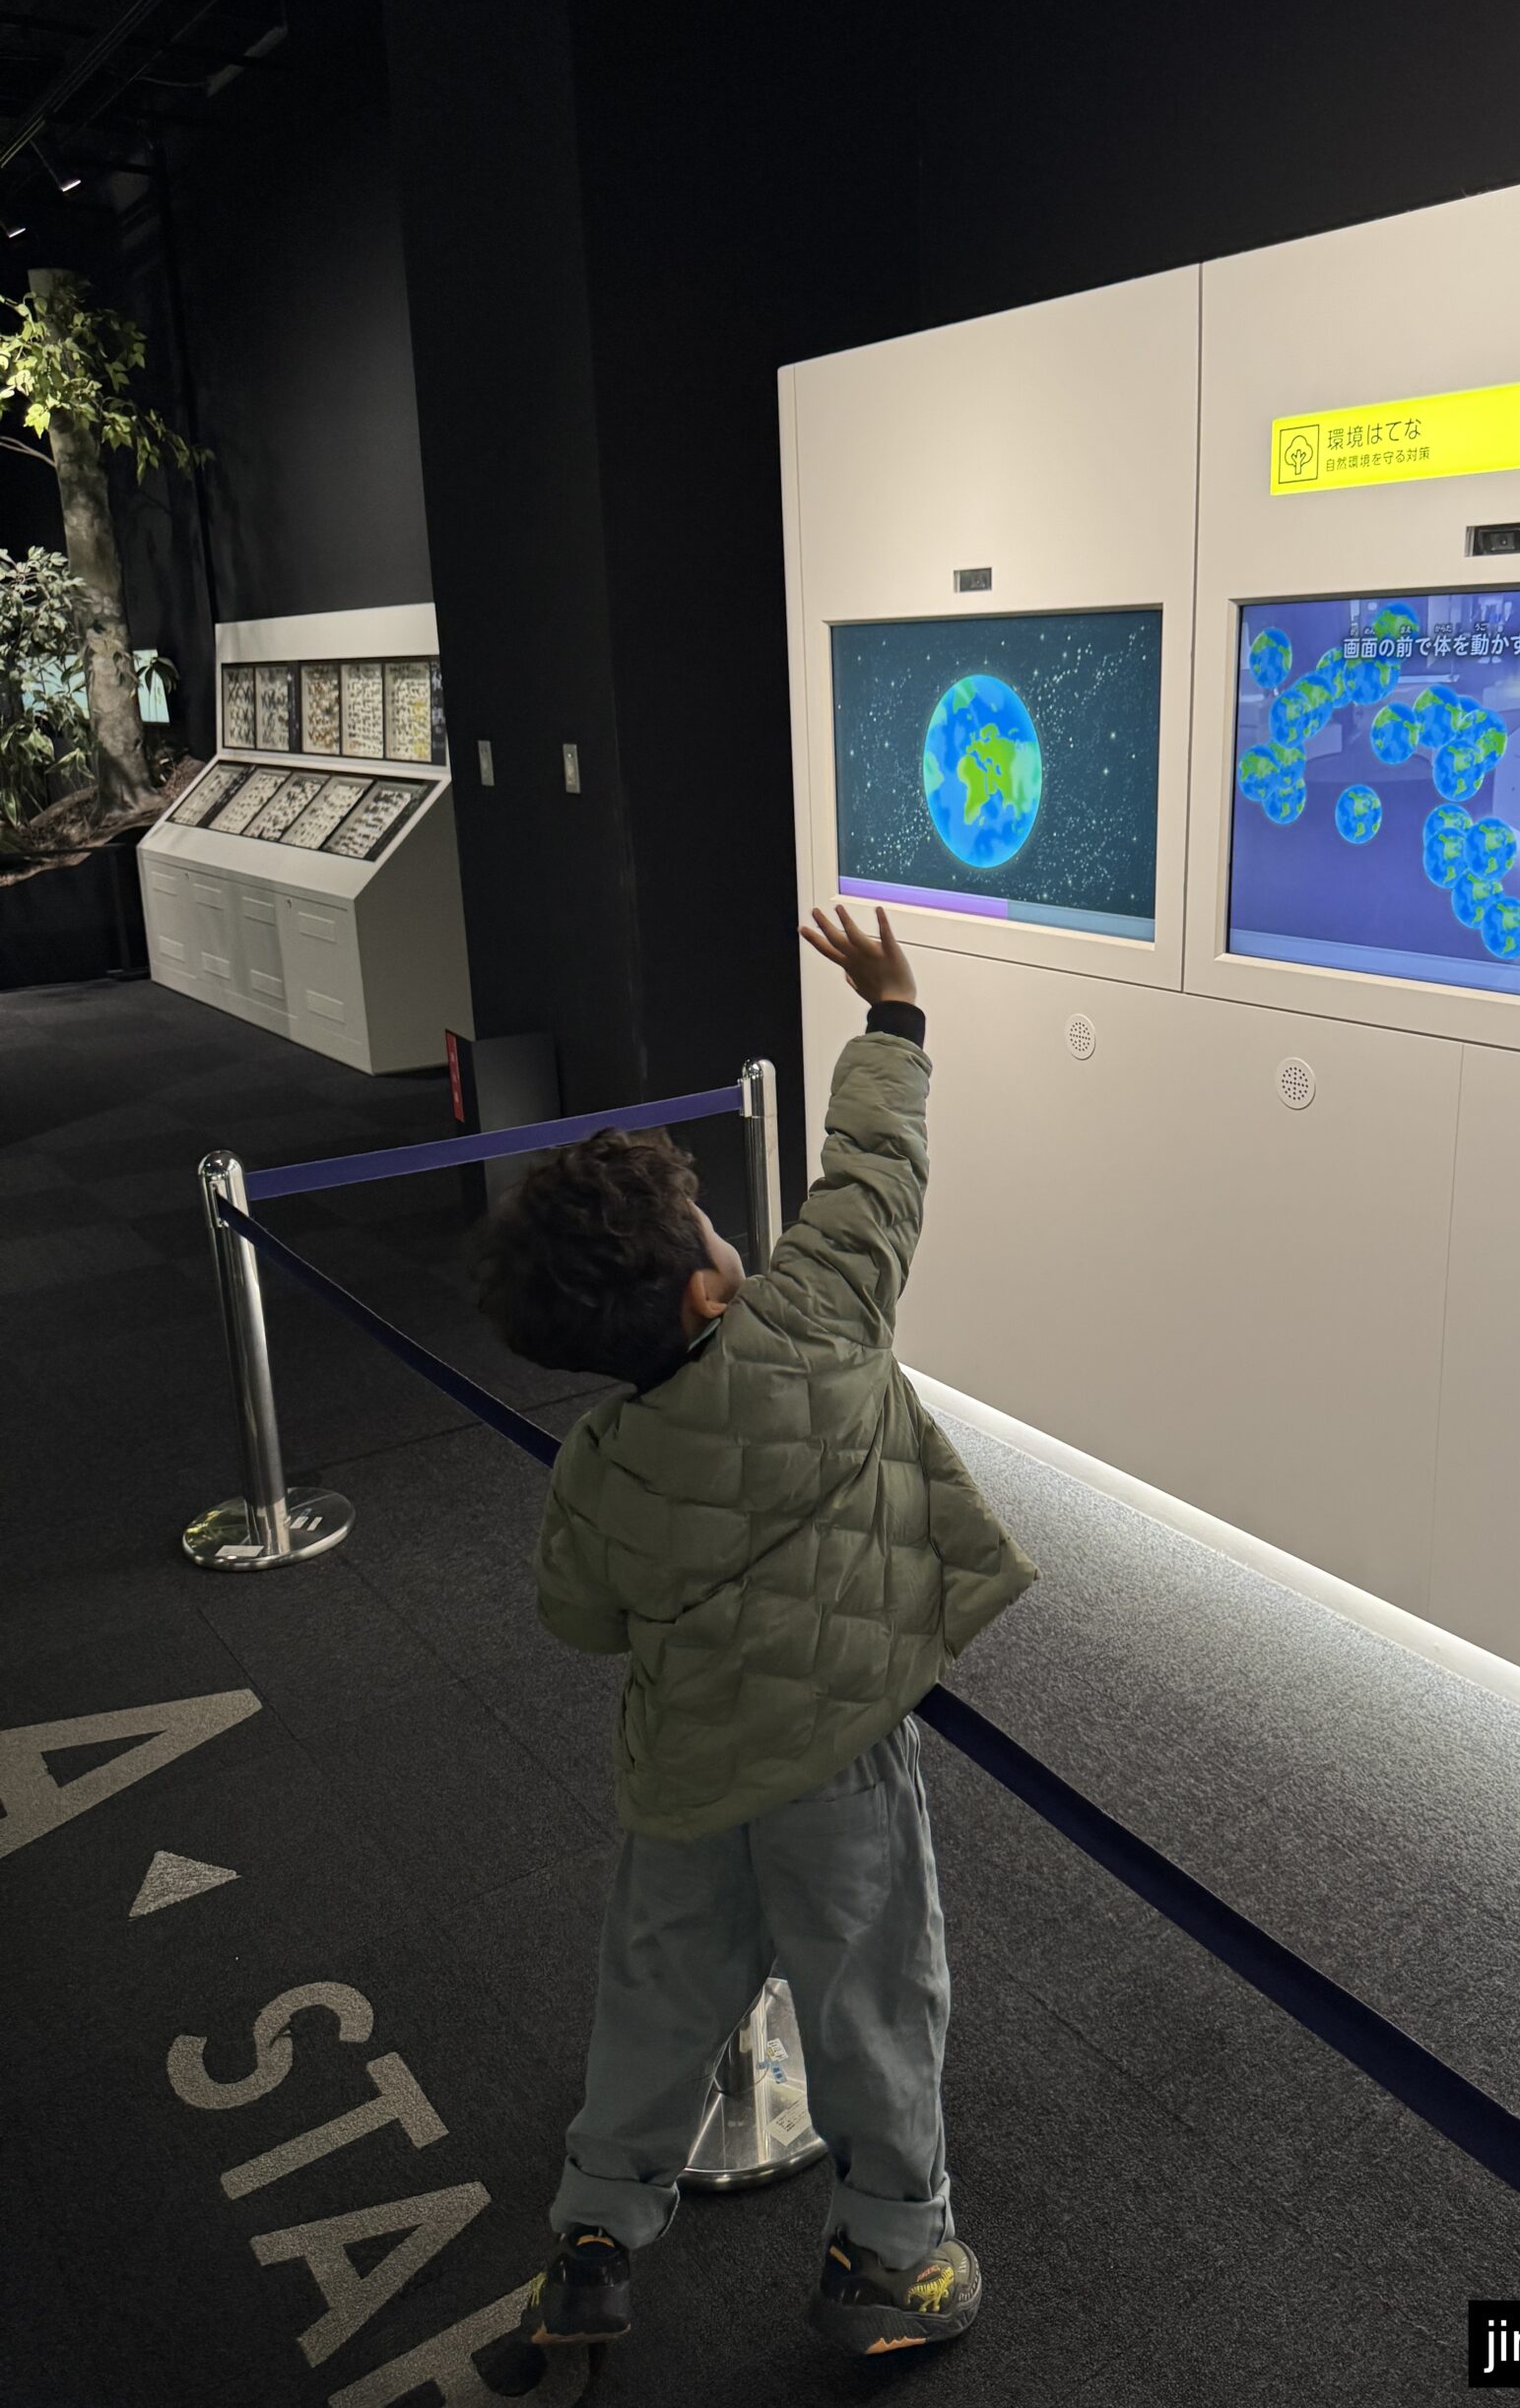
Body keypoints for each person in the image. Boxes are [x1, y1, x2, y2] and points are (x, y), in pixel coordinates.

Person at [470, 903, 1036, 2389]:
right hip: (836, 1770)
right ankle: (895, 2255)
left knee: (654, 1991)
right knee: (873, 1997)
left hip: (682, 1778)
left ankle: (594, 2234)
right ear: (713, 1283)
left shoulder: (596, 1463)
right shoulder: (822, 1326)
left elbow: (577, 1618)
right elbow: (874, 1176)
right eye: (718, 1225)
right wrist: (893, 1015)